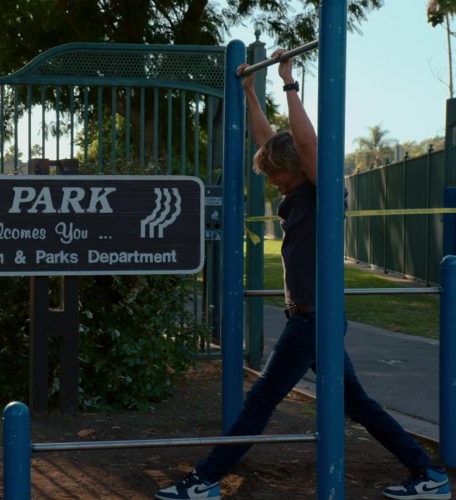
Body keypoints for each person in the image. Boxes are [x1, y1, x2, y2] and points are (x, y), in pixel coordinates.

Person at [155, 51, 452, 500]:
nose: (272, 179)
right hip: (312, 318)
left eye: (276, 173)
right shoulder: (294, 185)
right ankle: (427, 473)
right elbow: (268, 142)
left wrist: (289, 82)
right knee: (358, 404)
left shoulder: (324, 188)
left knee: (261, 400)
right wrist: (251, 92)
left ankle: (205, 479)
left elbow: (307, 145)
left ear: (296, 168)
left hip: (312, 320)